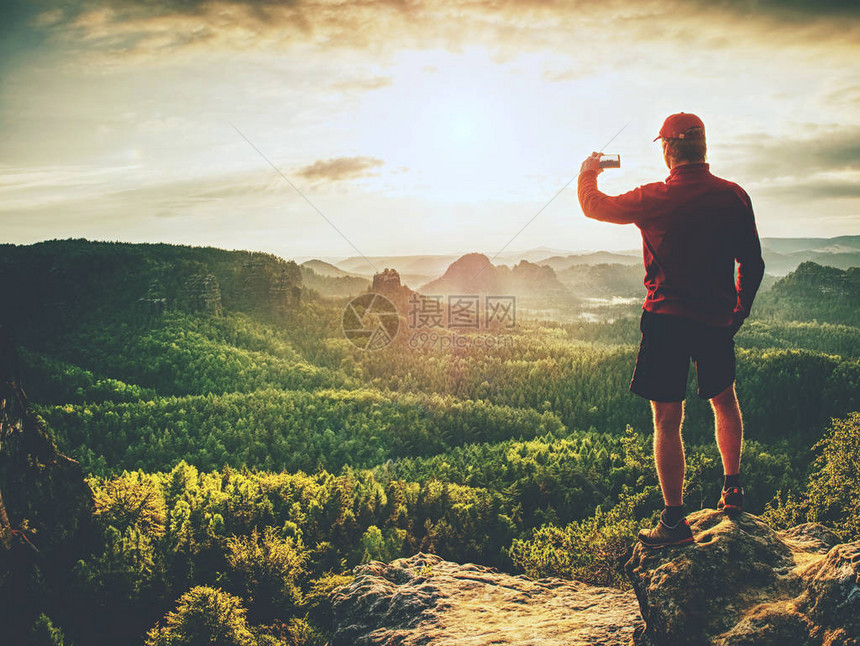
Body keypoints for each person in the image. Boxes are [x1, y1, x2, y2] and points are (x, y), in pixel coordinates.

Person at [577, 112, 765, 548]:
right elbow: (752, 263)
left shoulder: (654, 197)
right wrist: (739, 311)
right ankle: (732, 490)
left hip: (666, 320)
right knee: (725, 401)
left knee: (667, 419)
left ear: (667, 149)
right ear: (703, 146)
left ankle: (674, 522)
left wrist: (588, 174)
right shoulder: (733, 196)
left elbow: (594, 206)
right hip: (716, 319)